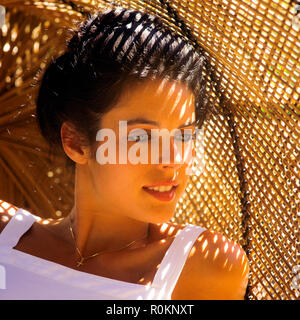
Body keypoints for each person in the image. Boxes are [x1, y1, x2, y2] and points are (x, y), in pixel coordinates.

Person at [0, 7, 249, 300]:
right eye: (142, 136)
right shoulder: (6, 235)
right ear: (77, 143)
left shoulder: (203, 265)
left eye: (184, 135)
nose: (174, 159)